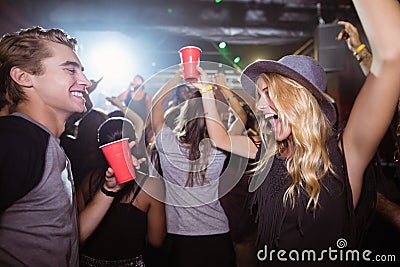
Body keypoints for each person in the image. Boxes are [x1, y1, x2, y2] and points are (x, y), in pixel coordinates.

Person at [200, 0, 400, 265]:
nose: (259, 105)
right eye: (260, 95)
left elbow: (391, 59)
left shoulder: (344, 155)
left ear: (297, 99)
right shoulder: (271, 153)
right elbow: (220, 139)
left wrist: (360, 48)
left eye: (268, 92)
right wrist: (204, 91)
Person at [0, 26, 92, 266]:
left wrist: (110, 190)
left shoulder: (46, 142)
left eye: (81, 71)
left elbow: (63, 236)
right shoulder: (16, 140)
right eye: (70, 70)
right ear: (23, 77)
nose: (85, 81)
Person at [151, 68, 235, 267]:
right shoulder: (220, 147)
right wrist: (223, 88)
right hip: (218, 236)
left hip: (180, 238)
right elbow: (242, 118)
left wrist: (179, 77)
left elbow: (155, 105)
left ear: (184, 114)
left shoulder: (167, 143)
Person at [78, 116, 166, 267]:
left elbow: (77, 232)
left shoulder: (88, 181)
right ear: (134, 143)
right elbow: (156, 241)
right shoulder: (151, 186)